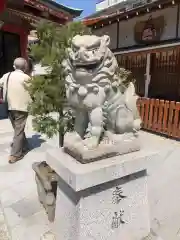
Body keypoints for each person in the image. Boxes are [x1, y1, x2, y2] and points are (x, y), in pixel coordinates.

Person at [0, 58, 32, 164]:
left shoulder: (6, 76)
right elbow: (33, 91)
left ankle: (25, 145)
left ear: (14, 66)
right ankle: (15, 155)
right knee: (18, 130)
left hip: (9, 106)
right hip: (21, 107)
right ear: (25, 67)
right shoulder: (26, 78)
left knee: (18, 128)